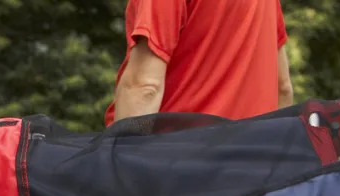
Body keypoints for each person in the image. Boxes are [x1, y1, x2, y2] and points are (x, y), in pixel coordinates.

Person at [105, 0, 295, 125]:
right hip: (253, 170)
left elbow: (145, 87)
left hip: (183, 169)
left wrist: (123, 173)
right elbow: (282, 87)